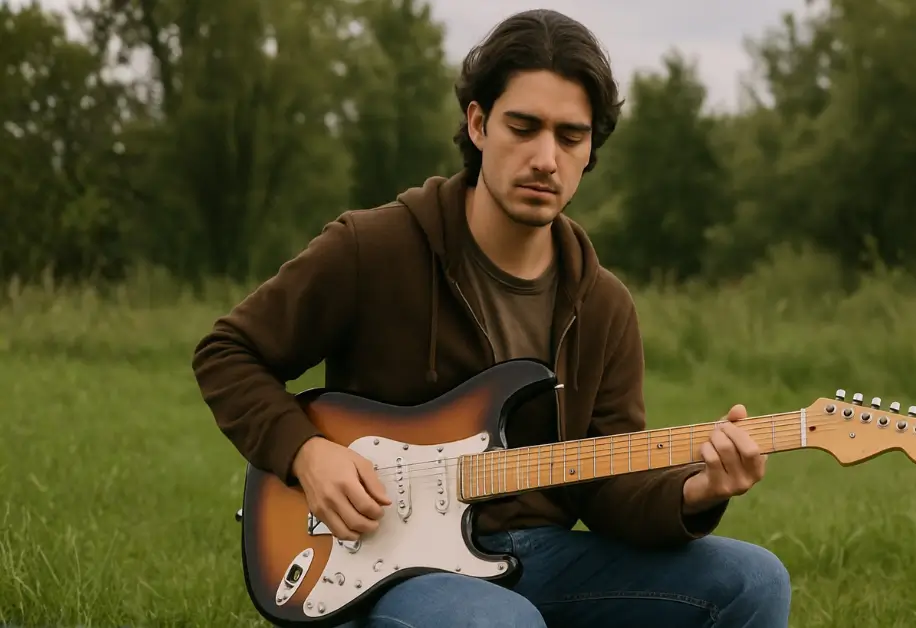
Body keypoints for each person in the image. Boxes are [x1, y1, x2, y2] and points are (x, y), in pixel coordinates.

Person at [192, 8, 792, 628]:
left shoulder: (603, 305)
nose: (545, 158)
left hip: (536, 556)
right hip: (381, 564)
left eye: (569, 136)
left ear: (589, 152)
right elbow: (227, 353)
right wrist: (307, 454)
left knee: (752, 582)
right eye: (523, 127)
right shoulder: (373, 249)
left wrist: (697, 491)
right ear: (478, 124)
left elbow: (606, 484)